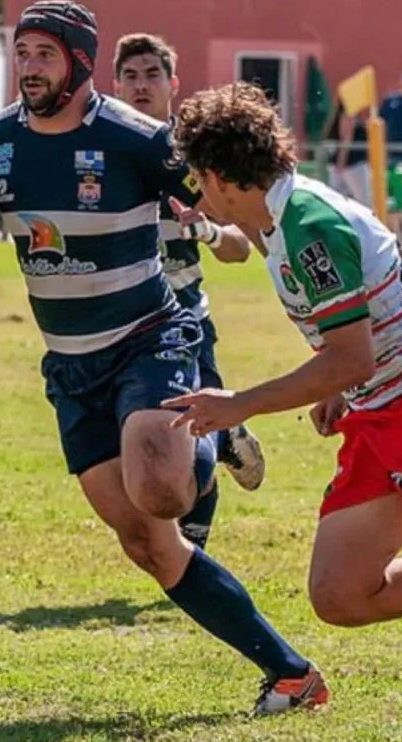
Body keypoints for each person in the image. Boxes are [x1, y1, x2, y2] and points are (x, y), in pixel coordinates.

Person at [0, 0, 327, 715]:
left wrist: (225, 228)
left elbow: (238, 207)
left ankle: (206, 432)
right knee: (148, 543)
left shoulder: (138, 140)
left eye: (45, 55)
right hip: (70, 367)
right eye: (22, 54)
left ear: (80, 63)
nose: (29, 68)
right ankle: (290, 673)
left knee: (162, 492)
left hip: (149, 340)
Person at [164, 81, 402, 680]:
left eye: (198, 176)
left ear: (221, 175)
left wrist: (240, 404)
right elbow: (356, 333)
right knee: (339, 594)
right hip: (380, 409)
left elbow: (354, 358)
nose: (198, 191)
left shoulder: (305, 224)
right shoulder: (275, 219)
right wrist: (335, 388)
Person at [111, 32, 266, 551]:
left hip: (184, 318)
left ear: (173, 84)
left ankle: (194, 549)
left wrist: (207, 231)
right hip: (121, 322)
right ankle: (228, 437)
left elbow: (242, 245)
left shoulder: (194, 155)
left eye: (152, 75)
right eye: (130, 76)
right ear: (114, 84)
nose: (140, 86)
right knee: (146, 437)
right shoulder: (107, 150)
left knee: (189, 430)